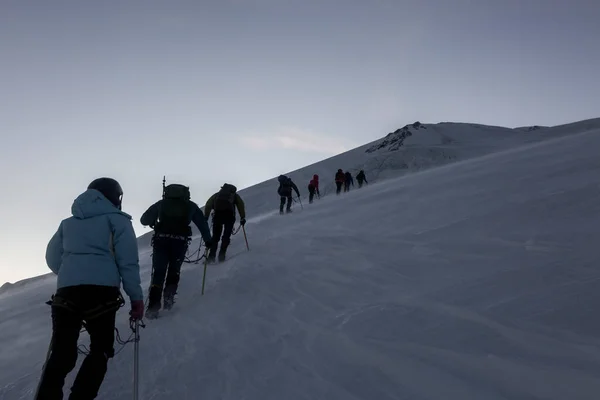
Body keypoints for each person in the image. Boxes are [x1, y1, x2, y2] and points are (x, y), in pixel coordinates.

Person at [37, 177, 144, 400]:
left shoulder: (68, 223)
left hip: (67, 293)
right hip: (102, 293)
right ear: (115, 196)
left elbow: (52, 257)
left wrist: (70, 273)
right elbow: (128, 263)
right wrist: (136, 298)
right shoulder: (118, 221)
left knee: (62, 352)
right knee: (101, 349)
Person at [140, 183, 212, 318]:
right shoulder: (190, 206)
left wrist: (155, 221)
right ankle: (168, 301)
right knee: (174, 271)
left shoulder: (161, 203)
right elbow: (202, 223)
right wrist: (208, 240)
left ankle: (153, 308)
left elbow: (144, 220)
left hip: (161, 241)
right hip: (180, 242)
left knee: (159, 273)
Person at [203, 183, 246, 263]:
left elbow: (208, 204)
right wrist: (242, 217)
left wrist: (206, 216)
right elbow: (240, 204)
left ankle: (211, 257)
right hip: (229, 217)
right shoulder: (234, 196)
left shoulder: (217, 195)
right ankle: (222, 256)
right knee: (226, 236)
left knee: (215, 237)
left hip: (217, 216)